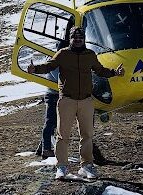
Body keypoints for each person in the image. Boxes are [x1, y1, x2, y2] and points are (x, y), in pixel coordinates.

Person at [28, 26, 124, 180]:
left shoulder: (90, 55)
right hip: (67, 100)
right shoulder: (63, 54)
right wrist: (35, 69)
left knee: (87, 135)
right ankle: (62, 167)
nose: (78, 40)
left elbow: (100, 70)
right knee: (63, 135)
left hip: (86, 100)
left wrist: (114, 72)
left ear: (84, 39)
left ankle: (86, 166)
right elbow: (49, 66)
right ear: (70, 39)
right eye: (75, 37)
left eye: (80, 38)